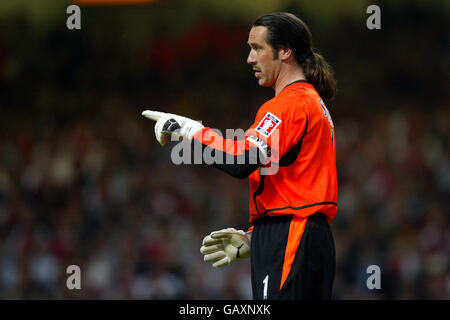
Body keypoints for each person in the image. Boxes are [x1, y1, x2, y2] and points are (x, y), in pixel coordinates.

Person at [142, 12, 338, 300]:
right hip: (298, 235)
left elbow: (241, 160)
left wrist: (191, 130)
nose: (250, 58)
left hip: (292, 237)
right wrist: (254, 237)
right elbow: (288, 180)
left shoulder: (290, 104)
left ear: (284, 51)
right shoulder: (310, 102)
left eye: (258, 48)